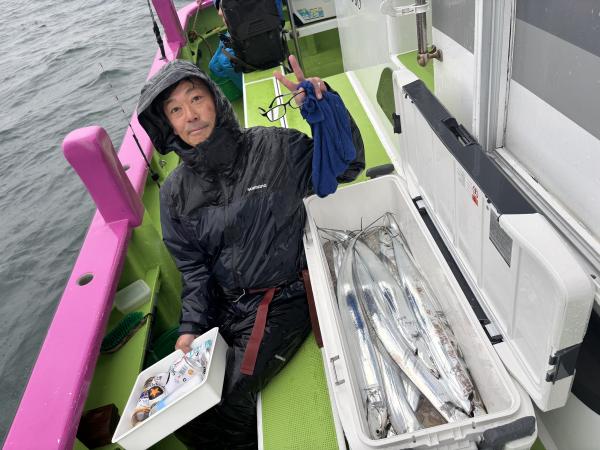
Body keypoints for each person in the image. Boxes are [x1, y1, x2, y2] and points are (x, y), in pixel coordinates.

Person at [137, 55, 364, 449]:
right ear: (167, 125)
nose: (191, 115)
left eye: (196, 98)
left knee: (217, 406)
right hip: (226, 305)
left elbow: (346, 166)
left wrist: (324, 108)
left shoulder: (275, 147)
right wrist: (191, 327)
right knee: (175, 401)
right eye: (176, 110)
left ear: (214, 99)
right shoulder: (174, 193)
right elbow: (194, 270)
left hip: (282, 299)